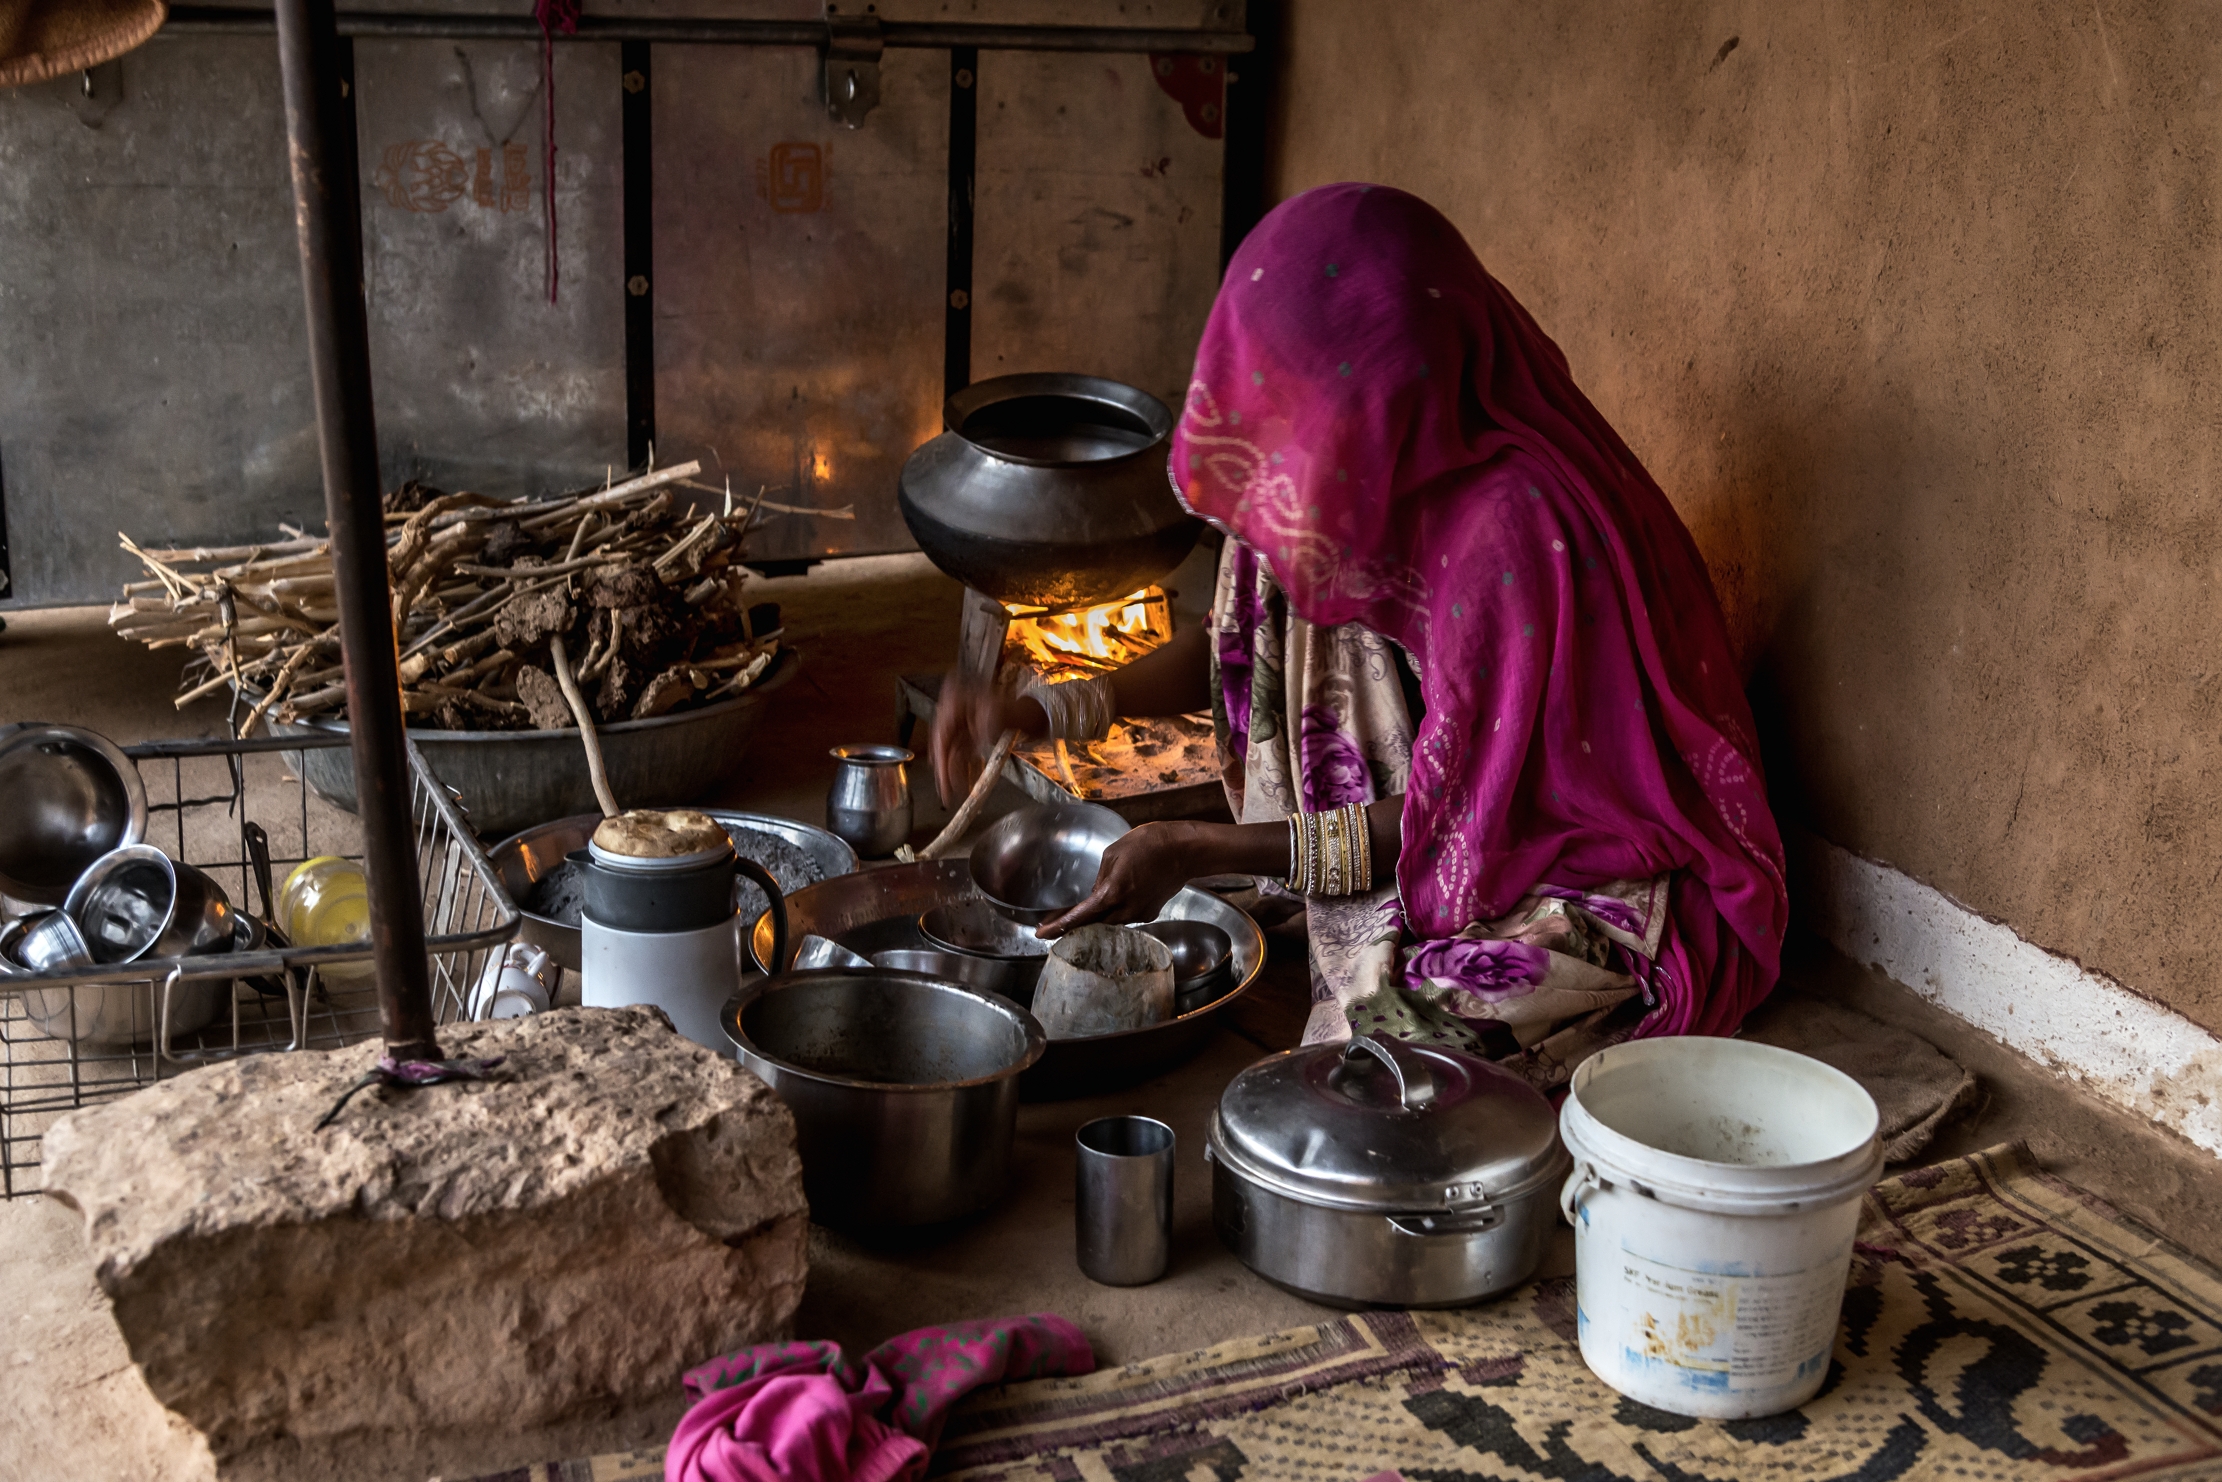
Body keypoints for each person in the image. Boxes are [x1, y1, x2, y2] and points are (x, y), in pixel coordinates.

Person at [932, 184, 1786, 1088]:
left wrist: (1206, 847)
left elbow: (1460, 823)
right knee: (1270, 553)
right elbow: (1242, 658)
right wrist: (1045, 708)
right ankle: (1349, 917)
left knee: (1383, 1057)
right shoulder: (1340, 489)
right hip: (1415, 845)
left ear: (1393, 381)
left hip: (1554, 875)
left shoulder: (1512, 537)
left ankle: (1386, 958)